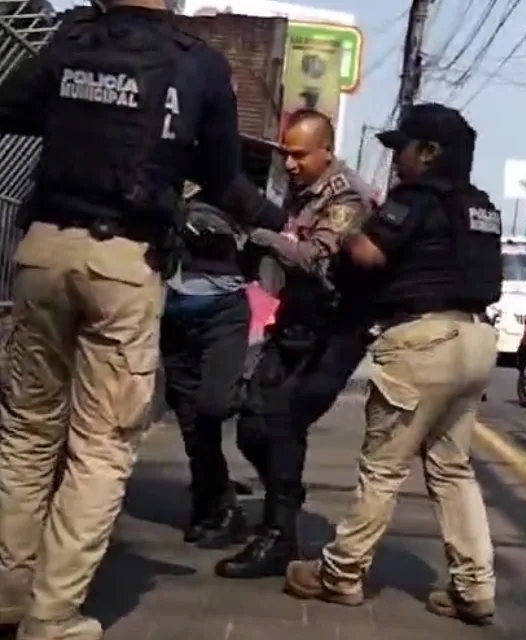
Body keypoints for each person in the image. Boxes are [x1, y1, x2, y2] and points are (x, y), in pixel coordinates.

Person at [0, 0, 286, 637]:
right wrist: (281, 225)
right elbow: (223, 179)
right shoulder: (199, 66)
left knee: (25, 433)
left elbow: (11, 106)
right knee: (99, 446)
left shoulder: (70, 41)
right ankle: (51, 616)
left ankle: (7, 593)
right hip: (124, 263)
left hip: (43, 250)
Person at [279, 103, 503, 626]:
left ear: (429, 153)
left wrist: (350, 230)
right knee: (452, 469)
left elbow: (369, 255)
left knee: (383, 467)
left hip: (423, 340)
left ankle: (341, 574)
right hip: (475, 340)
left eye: (401, 149)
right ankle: (475, 589)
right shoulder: (483, 207)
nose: (395, 160)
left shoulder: (417, 199)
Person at [215, 109, 376, 580]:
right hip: (296, 324)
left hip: (334, 333)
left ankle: (279, 534)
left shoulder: (347, 197)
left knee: (284, 422)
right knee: (250, 424)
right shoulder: (304, 189)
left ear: (326, 150)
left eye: (299, 155)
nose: (289, 164)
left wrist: (259, 235)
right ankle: (284, 498)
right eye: (286, 154)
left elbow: (313, 258)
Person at [160, 185, 260, 550]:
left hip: (223, 312)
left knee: (214, 404)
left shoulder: (227, 184)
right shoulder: (158, 179)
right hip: (173, 316)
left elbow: (266, 224)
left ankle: (254, 392)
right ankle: (215, 507)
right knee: (192, 422)